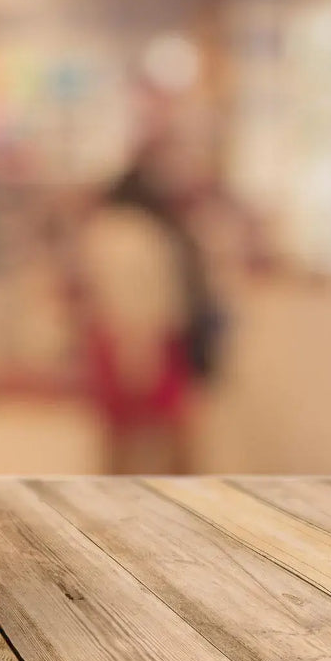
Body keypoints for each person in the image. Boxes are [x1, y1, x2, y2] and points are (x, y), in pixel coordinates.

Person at [77, 151, 222, 474]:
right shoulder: (145, 232)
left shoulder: (107, 230)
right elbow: (147, 295)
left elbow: (116, 294)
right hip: (149, 337)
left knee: (124, 434)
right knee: (168, 431)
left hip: (123, 336)